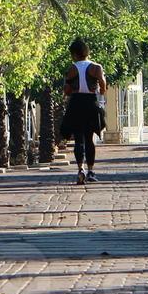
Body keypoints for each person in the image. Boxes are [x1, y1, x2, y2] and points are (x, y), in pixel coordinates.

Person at [60, 38, 106, 185]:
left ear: (74, 54)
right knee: (89, 138)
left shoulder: (71, 69)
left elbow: (67, 90)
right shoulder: (96, 67)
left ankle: (80, 169)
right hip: (90, 103)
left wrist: (71, 90)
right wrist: (99, 92)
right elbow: (103, 85)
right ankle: (91, 170)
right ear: (87, 52)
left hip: (76, 103)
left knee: (78, 139)